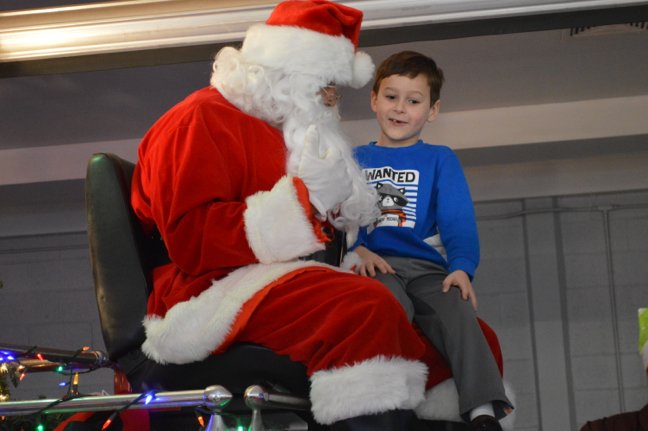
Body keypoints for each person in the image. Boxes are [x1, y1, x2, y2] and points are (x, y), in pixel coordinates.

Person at [128, 2, 505, 430]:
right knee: (365, 306)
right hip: (209, 292)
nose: (331, 97)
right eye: (324, 83)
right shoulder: (200, 118)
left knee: (474, 337)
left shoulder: (284, 135)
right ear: (285, 70)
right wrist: (303, 203)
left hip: (282, 277)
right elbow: (192, 241)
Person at [346, 50, 514, 431]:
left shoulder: (440, 159)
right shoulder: (354, 157)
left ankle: (483, 410)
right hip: (375, 263)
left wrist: (461, 268)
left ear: (432, 111)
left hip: (425, 268)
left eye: (414, 100)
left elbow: (458, 219)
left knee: (458, 311)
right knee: (388, 306)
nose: (400, 108)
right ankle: (386, 404)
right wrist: (357, 249)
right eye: (391, 97)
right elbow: (341, 216)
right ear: (374, 100)